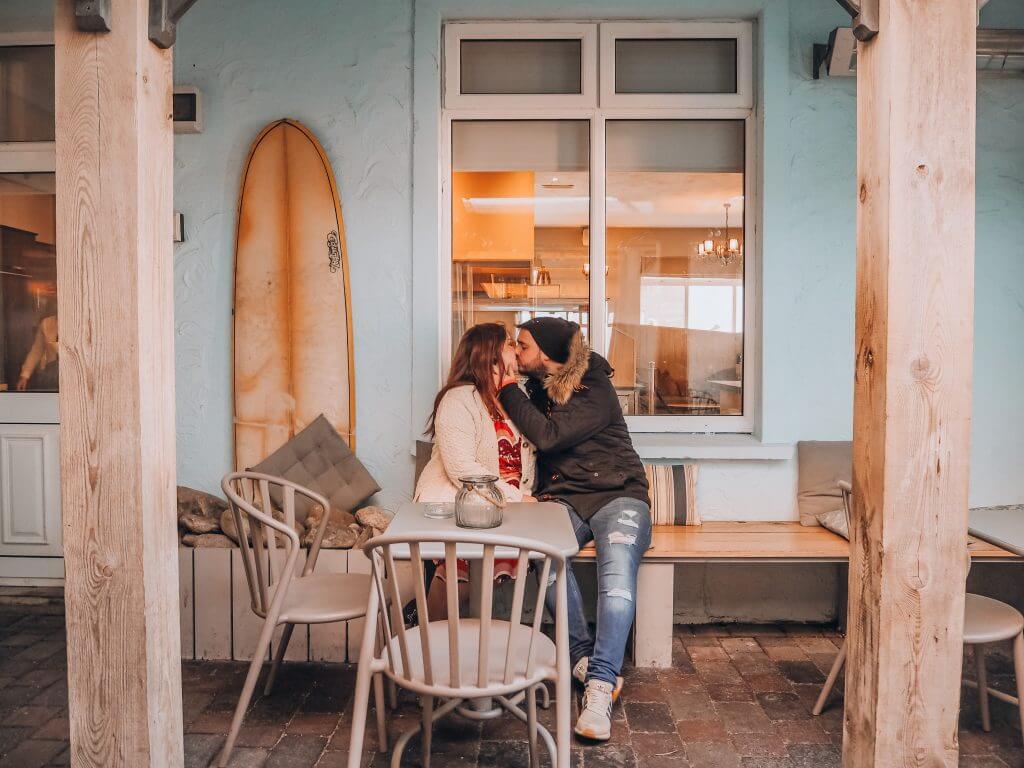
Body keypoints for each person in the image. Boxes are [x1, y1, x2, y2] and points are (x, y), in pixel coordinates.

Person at [496, 316, 650, 742]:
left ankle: (599, 687)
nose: (516, 351)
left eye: (522, 346)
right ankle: (584, 657)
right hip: (564, 501)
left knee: (616, 578)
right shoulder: (538, 389)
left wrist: (506, 387)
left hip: (619, 495)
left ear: (544, 353)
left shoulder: (592, 386)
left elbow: (547, 437)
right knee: (539, 555)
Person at [415, 322, 537, 617]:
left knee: (481, 583)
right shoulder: (459, 398)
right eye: (510, 344)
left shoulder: (510, 397)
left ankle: (465, 649)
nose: (516, 351)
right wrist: (517, 497)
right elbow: (462, 469)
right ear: (490, 355)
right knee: (459, 574)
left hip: (502, 507)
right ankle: (426, 641)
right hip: (464, 505)